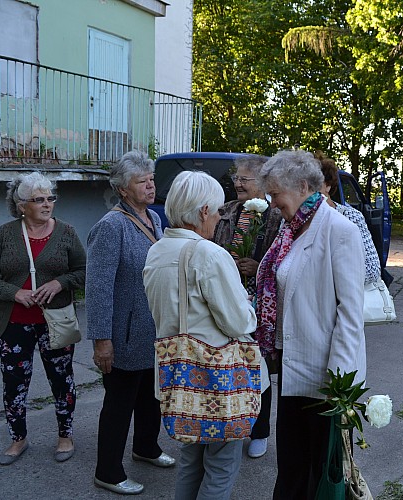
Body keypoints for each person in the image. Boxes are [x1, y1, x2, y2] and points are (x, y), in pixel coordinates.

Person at [144, 170, 268, 499]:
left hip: (180, 376)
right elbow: (239, 323)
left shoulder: (157, 250)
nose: (219, 217)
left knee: (191, 462)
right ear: (203, 212)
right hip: (217, 379)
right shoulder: (209, 254)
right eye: (217, 211)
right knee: (221, 466)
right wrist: (249, 306)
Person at [255, 150, 366, 499]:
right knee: (292, 465)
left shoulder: (339, 230)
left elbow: (350, 312)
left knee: (321, 470)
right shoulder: (292, 229)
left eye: (276, 194)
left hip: (325, 374)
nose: (272, 203)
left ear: (303, 186)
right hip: (293, 365)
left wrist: (339, 380)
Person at [0, 172, 86, 465]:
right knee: (14, 383)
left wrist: (60, 283)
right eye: (39, 200)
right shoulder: (5, 234)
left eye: (50, 198)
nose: (47, 204)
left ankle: (65, 436)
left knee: (62, 380)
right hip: (14, 322)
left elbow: (83, 271)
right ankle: (18, 439)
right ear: (21, 205)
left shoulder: (66, 232)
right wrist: (14, 293)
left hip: (56, 322)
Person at [86, 150, 175, 495]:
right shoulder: (110, 227)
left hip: (152, 331)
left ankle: (146, 447)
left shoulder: (153, 217)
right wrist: (101, 340)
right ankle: (107, 471)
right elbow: (97, 288)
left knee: (151, 397)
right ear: (123, 189)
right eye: (142, 181)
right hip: (122, 336)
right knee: (119, 405)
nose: (151, 186)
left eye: (151, 179)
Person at [212, 154, 282, 459]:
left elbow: (284, 262)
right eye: (236, 178)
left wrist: (259, 267)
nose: (237, 183)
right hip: (227, 299)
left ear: (262, 183)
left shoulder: (277, 216)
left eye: (244, 179)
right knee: (229, 365)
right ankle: (232, 423)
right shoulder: (226, 211)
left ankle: (260, 430)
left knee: (258, 367)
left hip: (259, 304)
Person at [315, 152, 381, 285]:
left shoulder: (351, 216)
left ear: (328, 185)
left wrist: (328, 282)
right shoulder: (293, 220)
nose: (307, 189)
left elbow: (372, 269)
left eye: (314, 183)